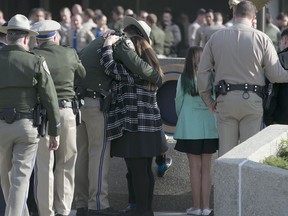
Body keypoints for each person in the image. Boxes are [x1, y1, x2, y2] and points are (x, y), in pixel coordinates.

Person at [75, 16, 162, 216]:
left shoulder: (99, 40)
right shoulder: (122, 41)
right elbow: (139, 67)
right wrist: (156, 76)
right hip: (97, 103)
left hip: (79, 101)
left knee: (83, 154)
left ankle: (81, 204)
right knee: (99, 154)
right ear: (140, 37)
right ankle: (98, 205)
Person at [197, 1, 288, 157]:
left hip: (225, 99)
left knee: (226, 156)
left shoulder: (215, 38)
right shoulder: (263, 38)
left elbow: (202, 72)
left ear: (234, 15)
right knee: (248, 156)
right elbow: (276, 75)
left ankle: (224, 182)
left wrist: (209, 100)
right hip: (252, 100)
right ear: (253, 17)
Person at [98, 22, 167, 216]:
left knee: (137, 172)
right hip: (151, 126)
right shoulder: (153, 69)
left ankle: (142, 211)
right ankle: (145, 209)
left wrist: (108, 46)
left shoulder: (131, 73)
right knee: (145, 170)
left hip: (134, 125)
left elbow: (109, 66)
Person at [0, 14, 60, 216]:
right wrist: (54, 131)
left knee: (5, 178)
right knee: (20, 179)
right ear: (26, 38)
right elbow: (50, 99)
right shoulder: (36, 61)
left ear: (7, 37)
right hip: (27, 126)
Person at [31, 19, 86, 216]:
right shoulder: (69, 53)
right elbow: (82, 74)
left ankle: (46, 212)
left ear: (37, 40)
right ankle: (63, 210)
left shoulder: (33, 55)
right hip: (67, 112)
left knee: (44, 166)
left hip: (42, 116)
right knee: (67, 162)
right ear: (56, 37)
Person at [174, 47, 218, 216]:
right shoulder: (211, 78)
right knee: (207, 168)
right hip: (209, 129)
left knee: (194, 168)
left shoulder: (183, 79)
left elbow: (178, 103)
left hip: (189, 129)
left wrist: (183, 119)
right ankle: (206, 207)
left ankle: (196, 206)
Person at [264, 28, 288, 126]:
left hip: (282, 120)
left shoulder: (279, 59)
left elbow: (272, 93)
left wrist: (268, 118)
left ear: (285, 40)